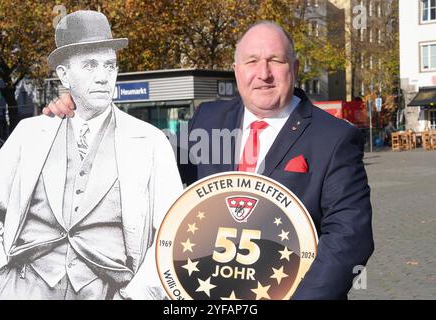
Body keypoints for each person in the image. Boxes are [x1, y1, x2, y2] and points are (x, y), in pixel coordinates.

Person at [43, 21, 374, 300]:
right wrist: (85, 116)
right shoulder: (210, 119)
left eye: (276, 60)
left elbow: (349, 237)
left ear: (295, 68)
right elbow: (143, 163)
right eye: (252, 61)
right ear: (236, 70)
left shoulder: (334, 137)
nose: (264, 73)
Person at [0, 10, 182, 300]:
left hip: (109, 293)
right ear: (64, 74)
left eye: (109, 65)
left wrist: (136, 296)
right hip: (23, 288)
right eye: (90, 65)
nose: (103, 77)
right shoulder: (30, 133)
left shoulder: (150, 142)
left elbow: (173, 232)